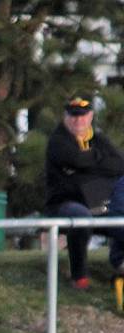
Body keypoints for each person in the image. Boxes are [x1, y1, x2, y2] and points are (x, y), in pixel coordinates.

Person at [45, 95, 124, 290]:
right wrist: (98, 161)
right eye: (73, 115)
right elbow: (75, 159)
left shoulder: (98, 139)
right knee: (80, 217)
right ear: (65, 116)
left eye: (82, 115)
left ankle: (119, 262)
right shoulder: (58, 140)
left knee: (120, 216)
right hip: (64, 203)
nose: (78, 120)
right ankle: (79, 277)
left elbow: (119, 164)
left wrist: (86, 163)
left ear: (90, 116)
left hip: (99, 202)